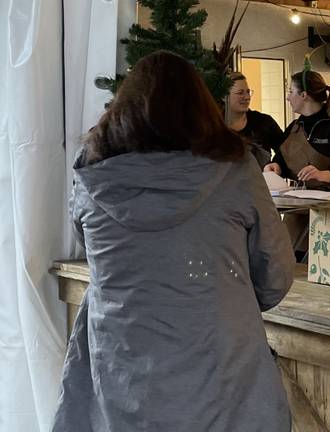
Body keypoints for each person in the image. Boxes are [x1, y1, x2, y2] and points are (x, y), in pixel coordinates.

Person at [53, 51, 294, 432]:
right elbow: (276, 274)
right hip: (222, 364)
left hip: (120, 361)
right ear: (201, 107)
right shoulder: (236, 170)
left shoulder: (91, 174)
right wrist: (228, 298)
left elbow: (92, 249)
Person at [263, 69, 330, 192]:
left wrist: (323, 175)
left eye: (291, 91)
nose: (288, 98)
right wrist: (276, 167)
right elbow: (282, 158)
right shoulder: (294, 127)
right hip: (299, 201)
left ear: (304, 95)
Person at [226, 72, 284, 169]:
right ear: (225, 96)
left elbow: (285, 151)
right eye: (240, 93)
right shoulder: (214, 125)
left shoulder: (264, 122)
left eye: (248, 92)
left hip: (262, 182)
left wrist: (276, 164)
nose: (247, 97)